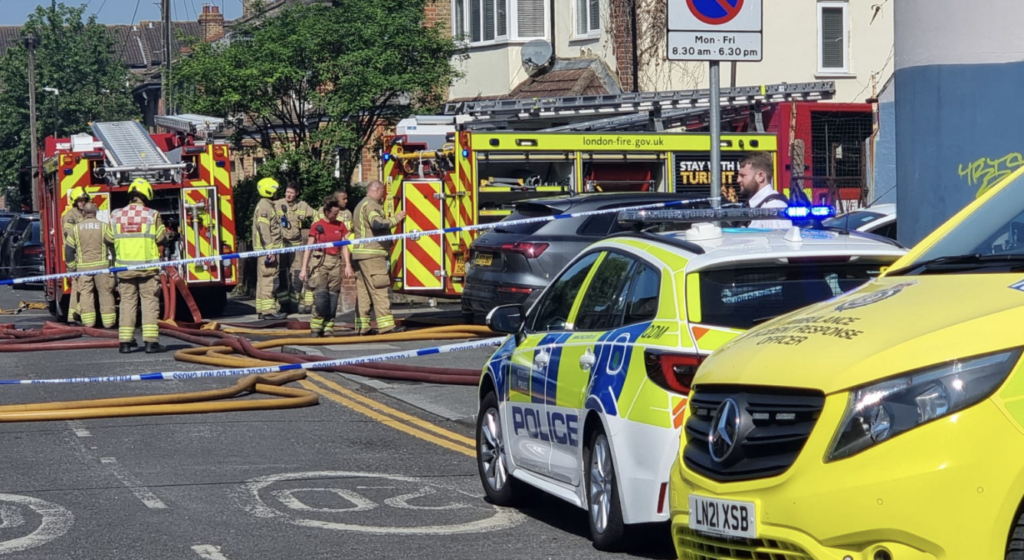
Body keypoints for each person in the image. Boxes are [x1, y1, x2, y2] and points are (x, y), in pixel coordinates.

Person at [105, 178, 173, 353]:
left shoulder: (115, 215)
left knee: (128, 302)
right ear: (146, 195)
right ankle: (151, 342)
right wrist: (168, 236)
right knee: (149, 302)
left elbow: (108, 239)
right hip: (147, 269)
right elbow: (160, 238)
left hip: (124, 269)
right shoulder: (152, 215)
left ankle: (125, 343)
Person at [351, 180, 406, 335]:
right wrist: (396, 219)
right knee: (379, 289)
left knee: (364, 292)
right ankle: (387, 326)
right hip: (372, 255)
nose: (383, 196)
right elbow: (377, 224)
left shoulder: (360, 205)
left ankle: (363, 326)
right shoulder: (371, 205)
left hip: (361, 255)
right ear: (377, 190)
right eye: (382, 193)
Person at [299, 199, 353, 337]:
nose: (336, 216)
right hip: (320, 263)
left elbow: (345, 245)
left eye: (338, 213)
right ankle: (316, 327)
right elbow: (308, 248)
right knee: (321, 297)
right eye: (334, 213)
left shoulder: (340, 226)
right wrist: (304, 268)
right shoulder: (317, 226)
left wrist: (348, 265)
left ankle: (329, 327)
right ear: (326, 212)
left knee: (333, 296)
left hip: (335, 263)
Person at [67, 203, 116, 329]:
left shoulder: (76, 229)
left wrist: (72, 267)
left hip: (83, 268)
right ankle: (108, 322)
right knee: (106, 294)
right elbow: (113, 246)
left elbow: (69, 250)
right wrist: (114, 264)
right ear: (96, 212)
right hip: (103, 267)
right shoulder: (105, 227)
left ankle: (89, 323)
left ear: (83, 213)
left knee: (86, 295)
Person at [277, 183, 316, 314]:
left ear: (297, 193)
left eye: (291, 193)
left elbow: (317, 216)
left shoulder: (302, 206)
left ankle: (294, 303)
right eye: (287, 192)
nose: (288, 195)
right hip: (281, 246)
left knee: (297, 275)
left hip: (296, 245)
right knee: (282, 274)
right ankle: (283, 304)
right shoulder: (277, 204)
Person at [253, 177, 286, 320]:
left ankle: (262, 309)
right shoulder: (265, 207)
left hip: (265, 250)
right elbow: (264, 229)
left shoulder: (265, 205)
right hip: (269, 251)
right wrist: (270, 249)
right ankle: (269, 311)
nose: (277, 193)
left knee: (263, 279)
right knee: (269, 279)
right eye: (275, 191)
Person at [736, 152, 792, 229]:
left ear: (760, 176)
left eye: (743, 176)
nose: (738, 180)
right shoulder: (755, 206)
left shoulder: (773, 207)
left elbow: (780, 240)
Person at [62, 187, 90, 324]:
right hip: (76, 256)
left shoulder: (87, 214)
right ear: (74, 201)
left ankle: (80, 313)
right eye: (80, 200)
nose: (82, 203)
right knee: (76, 288)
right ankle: (72, 316)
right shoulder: (70, 215)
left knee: (86, 289)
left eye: (84, 200)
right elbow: (68, 235)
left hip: (88, 256)